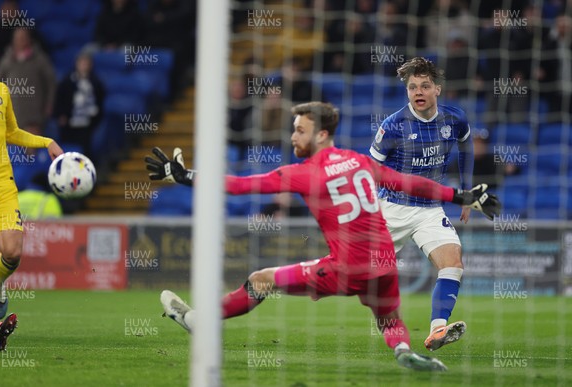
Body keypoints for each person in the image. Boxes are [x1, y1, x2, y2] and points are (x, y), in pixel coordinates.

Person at [145, 102, 500, 371]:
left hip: (345, 268)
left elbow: (240, 186)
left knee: (260, 280)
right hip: (384, 265)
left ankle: (198, 323)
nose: (293, 137)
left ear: (320, 135)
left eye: (299, 130)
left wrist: (186, 175)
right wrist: (460, 196)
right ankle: (405, 353)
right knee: (389, 320)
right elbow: (407, 183)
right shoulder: (359, 160)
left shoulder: (302, 173)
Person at [369, 57, 475, 351]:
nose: (418, 91)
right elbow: (370, 171)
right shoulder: (393, 126)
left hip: (429, 209)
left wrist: (466, 191)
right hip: (391, 209)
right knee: (360, 276)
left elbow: (467, 145)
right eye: (412, 86)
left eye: (425, 85)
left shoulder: (454, 119)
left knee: (453, 262)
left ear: (437, 89)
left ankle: (437, 330)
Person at [0, 29, 64, 350]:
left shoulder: (0, 91)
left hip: (1, 185)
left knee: (12, 252)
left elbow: (12, 132)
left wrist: (46, 141)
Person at [0, 27, 56, 135]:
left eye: (23, 38)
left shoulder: (39, 59)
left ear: (29, 39)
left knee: (31, 145)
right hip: (12, 113)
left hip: (34, 114)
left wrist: (49, 104)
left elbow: (51, 83)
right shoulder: (6, 60)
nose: (20, 41)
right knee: (12, 149)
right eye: (18, 38)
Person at [54, 51, 105, 162]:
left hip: (87, 126)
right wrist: (61, 115)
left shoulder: (96, 82)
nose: (84, 65)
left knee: (86, 154)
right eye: (81, 62)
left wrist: (94, 120)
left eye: (86, 62)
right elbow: (60, 99)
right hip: (69, 125)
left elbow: (100, 103)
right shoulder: (67, 81)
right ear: (76, 63)